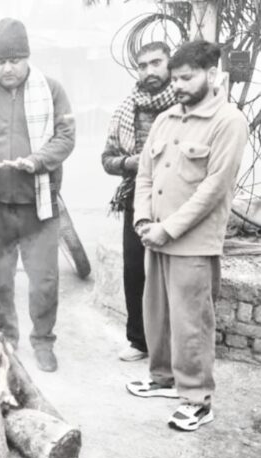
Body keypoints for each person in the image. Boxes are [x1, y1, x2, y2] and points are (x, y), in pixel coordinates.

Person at [127, 40, 248, 431]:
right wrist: (143, 220)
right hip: (155, 235)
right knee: (157, 315)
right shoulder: (166, 119)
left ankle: (198, 399)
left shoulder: (228, 121)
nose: (177, 85)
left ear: (211, 75)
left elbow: (214, 188)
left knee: (191, 323)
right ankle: (163, 378)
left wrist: (168, 229)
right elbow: (145, 175)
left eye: (186, 78)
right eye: (175, 78)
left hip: (192, 243)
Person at [0, 18, 75, 372]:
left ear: (27, 57)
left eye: (14, 60)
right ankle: (6, 338)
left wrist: (38, 160)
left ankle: (43, 341)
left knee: (44, 279)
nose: (7, 68)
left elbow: (66, 138)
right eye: (0, 61)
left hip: (38, 203)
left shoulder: (51, 90)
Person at [102, 42, 177, 362]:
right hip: (137, 196)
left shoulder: (184, 104)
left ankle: (173, 345)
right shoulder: (126, 108)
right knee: (135, 269)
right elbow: (107, 159)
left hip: (177, 197)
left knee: (174, 271)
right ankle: (139, 340)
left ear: (170, 64)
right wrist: (130, 163)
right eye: (143, 65)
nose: (149, 71)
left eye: (156, 63)